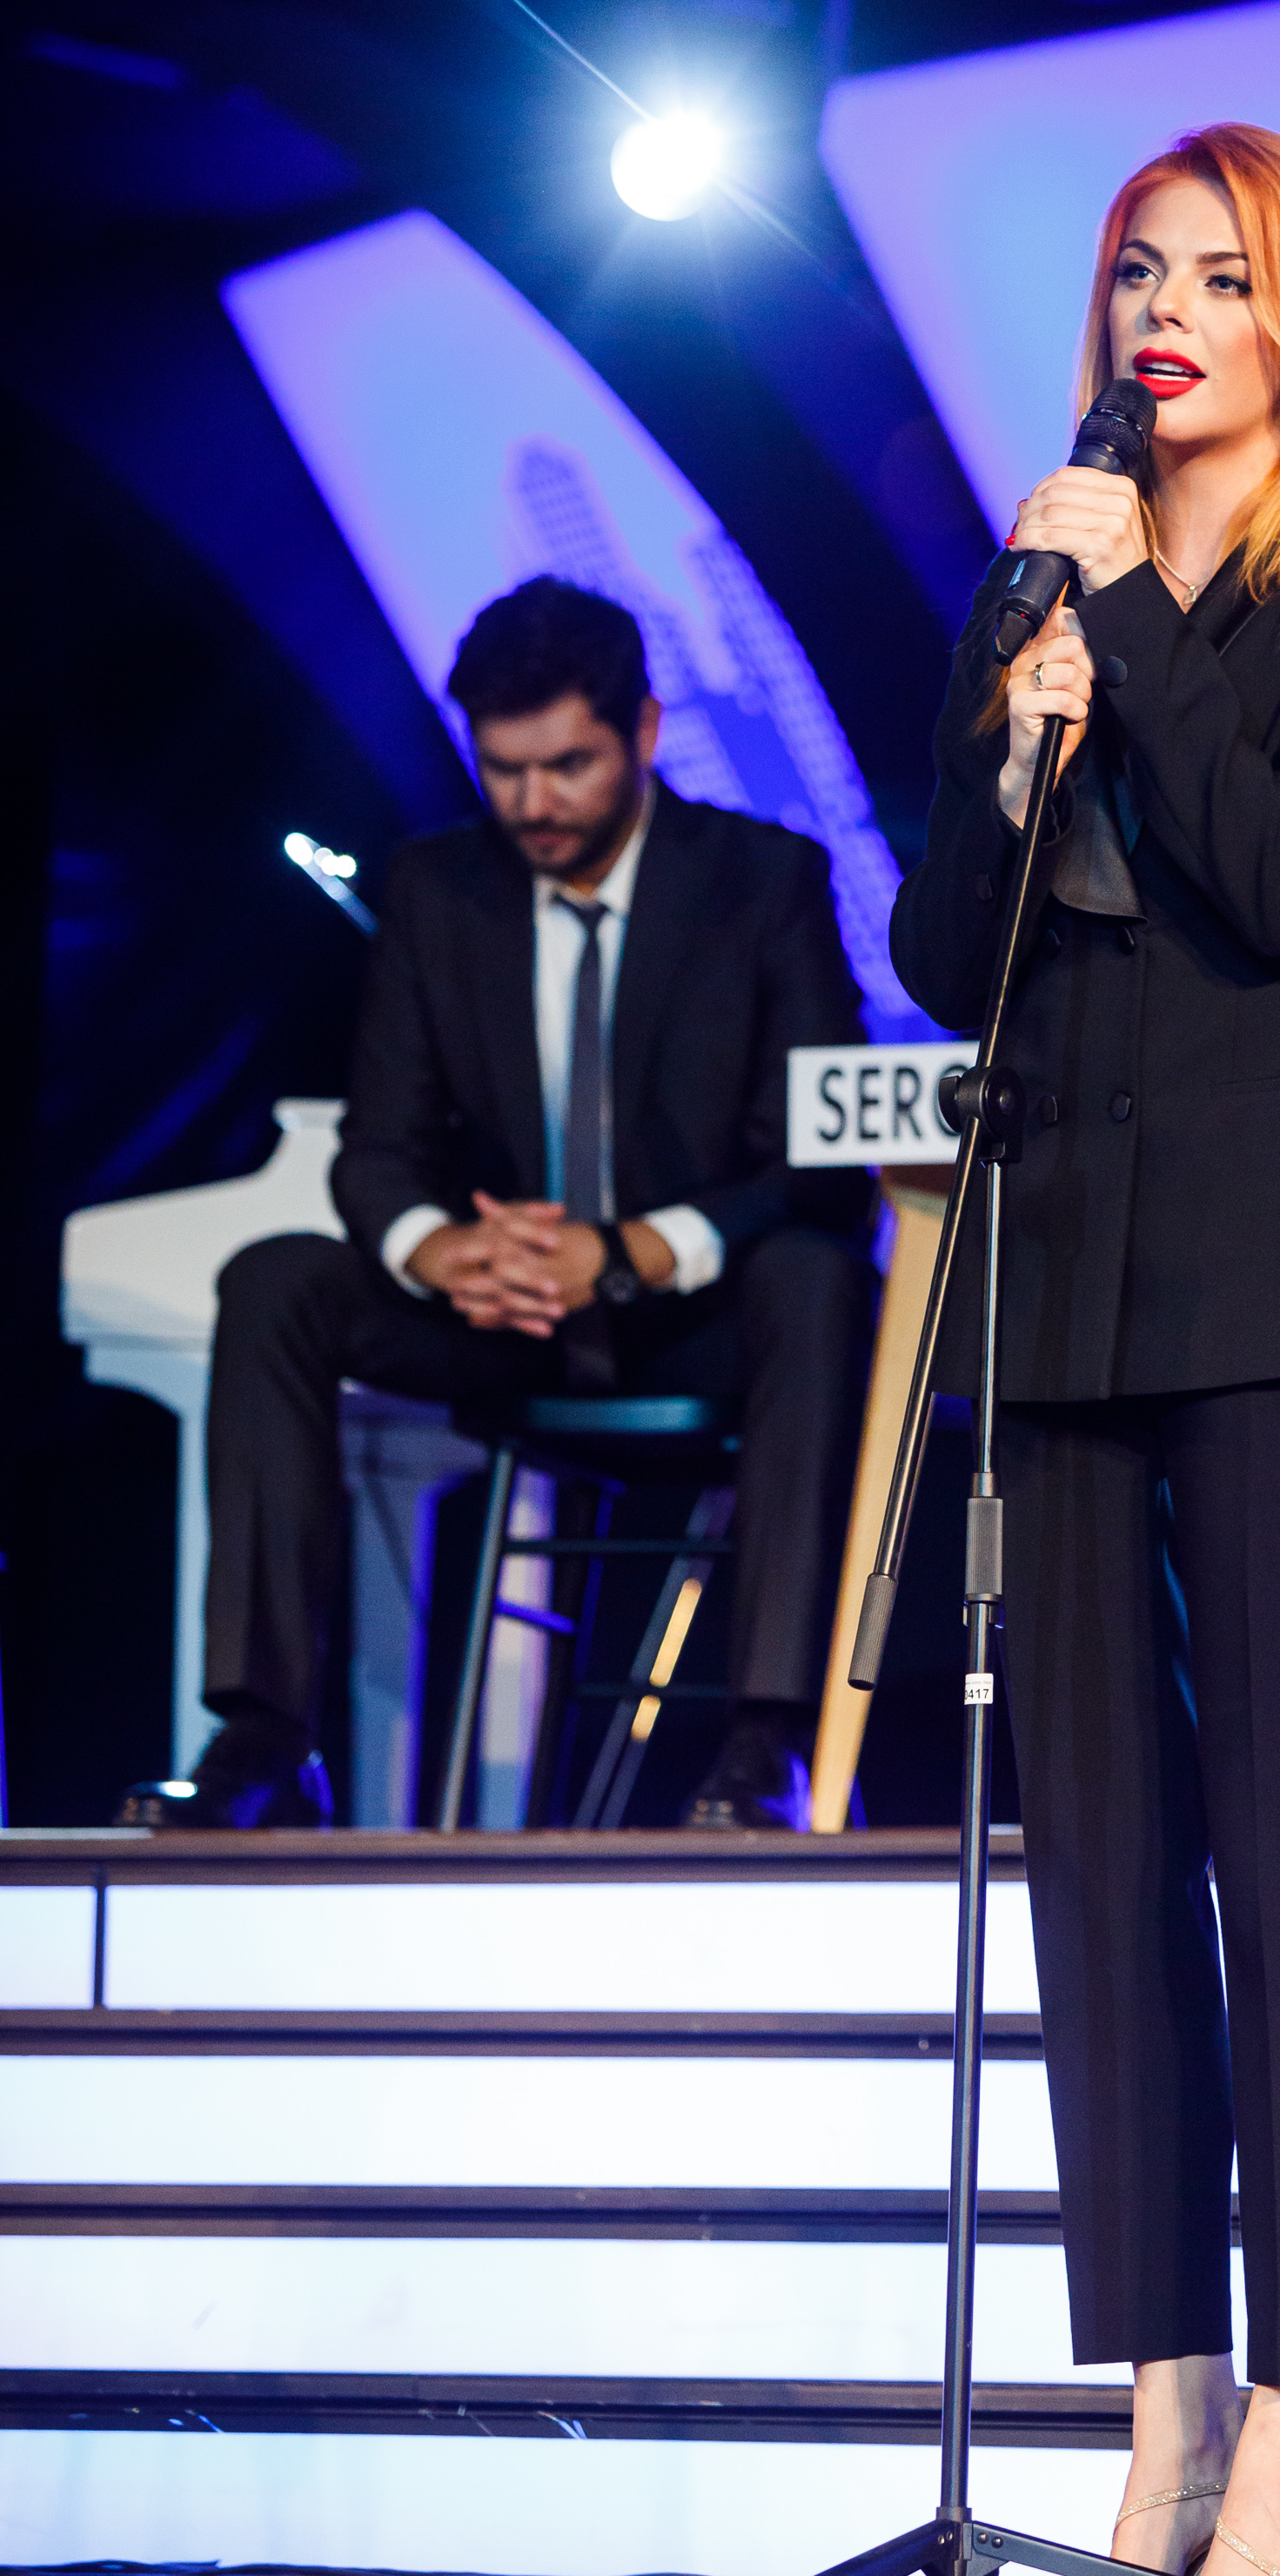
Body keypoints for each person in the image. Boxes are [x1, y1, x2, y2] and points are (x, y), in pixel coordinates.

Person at [889, 124, 1280, 2576]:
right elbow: (942, 945)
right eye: (1139, 269)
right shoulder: (1049, 565)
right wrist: (1018, 740)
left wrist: (1132, 623)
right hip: (1068, 1275)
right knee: (1104, 1879)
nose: (1164, 312)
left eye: (1221, 277)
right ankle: (1157, 2419)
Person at [131, 576, 871, 1835]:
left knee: (816, 1277)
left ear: (644, 731)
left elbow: (818, 1162)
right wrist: (444, 1251)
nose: (533, 803)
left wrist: (629, 1252)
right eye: (504, 770)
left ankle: (769, 1742)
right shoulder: (438, 890)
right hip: (499, 1317)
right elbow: (377, 1151)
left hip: (693, 1317)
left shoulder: (763, 880)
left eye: (568, 765)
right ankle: (263, 1735)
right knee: (275, 1278)